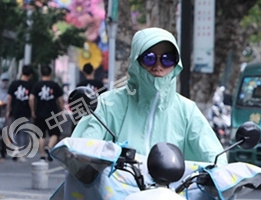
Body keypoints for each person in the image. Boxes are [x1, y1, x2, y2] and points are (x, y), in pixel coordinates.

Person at [72, 27, 225, 165]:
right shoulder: (107, 104)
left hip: (171, 193)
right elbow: (84, 149)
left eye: (167, 59)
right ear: (135, 62)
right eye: (149, 58)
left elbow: (214, 155)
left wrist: (220, 172)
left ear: (176, 64)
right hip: (115, 193)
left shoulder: (187, 110)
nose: (158, 66)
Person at [29, 64, 64, 161]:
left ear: (41, 74)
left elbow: (31, 98)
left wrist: (33, 111)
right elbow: (60, 100)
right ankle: (49, 147)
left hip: (39, 113)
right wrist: (62, 111)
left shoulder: (37, 85)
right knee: (55, 133)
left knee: (41, 135)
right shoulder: (55, 85)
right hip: (53, 113)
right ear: (51, 74)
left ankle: (42, 155)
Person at [7, 65, 34, 161]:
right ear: (30, 75)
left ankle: (15, 149)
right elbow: (31, 100)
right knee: (23, 132)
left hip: (15, 110)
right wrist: (33, 111)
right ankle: (21, 153)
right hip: (26, 111)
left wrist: (8, 110)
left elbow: (9, 98)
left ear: (22, 72)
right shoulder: (31, 86)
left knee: (15, 131)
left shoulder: (14, 84)